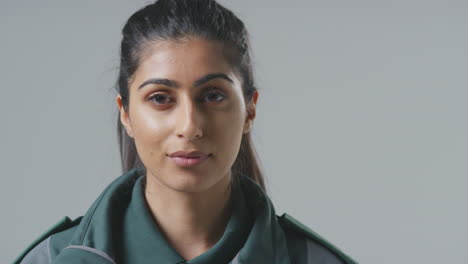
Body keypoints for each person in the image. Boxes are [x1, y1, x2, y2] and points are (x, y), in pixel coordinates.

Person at [14, 0, 357, 263]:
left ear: (250, 109)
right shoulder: (50, 258)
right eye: (160, 98)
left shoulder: (314, 260)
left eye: (213, 96)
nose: (190, 126)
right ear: (126, 114)